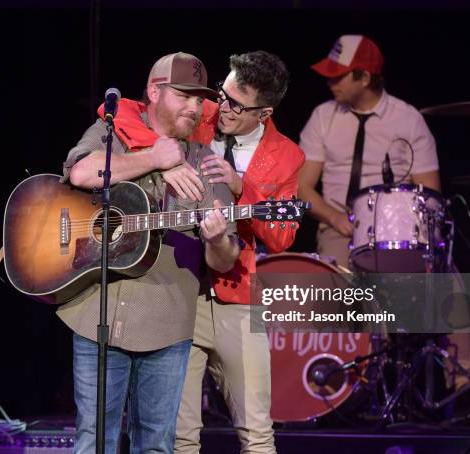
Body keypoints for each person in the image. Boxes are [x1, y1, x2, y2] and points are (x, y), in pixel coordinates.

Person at [58, 52, 240, 454]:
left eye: (200, 99)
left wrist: (216, 240)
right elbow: (80, 173)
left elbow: (225, 260)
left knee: (156, 445)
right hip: (98, 317)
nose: (195, 107)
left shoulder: (206, 164)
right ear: (155, 91)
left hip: (166, 323)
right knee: (93, 442)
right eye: (185, 96)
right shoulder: (113, 133)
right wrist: (154, 159)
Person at [298, 34, 470, 393]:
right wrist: (335, 220)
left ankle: (463, 379)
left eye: (338, 76)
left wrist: (399, 226)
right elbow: (302, 188)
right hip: (337, 228)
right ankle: (339, 388)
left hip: (395, 229)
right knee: (328, 285)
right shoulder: (323, 117)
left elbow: (431, 195)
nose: (329, 82)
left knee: (447, 277)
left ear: (364, 77)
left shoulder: (407, 120)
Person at [174, 51, 305, 454]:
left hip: (238, 295)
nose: (223, 108)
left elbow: (282, 238)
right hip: (179, 291)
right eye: (223, 94)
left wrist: (241, 188)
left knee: (256, 433)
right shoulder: (199, 116)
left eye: (236, 104)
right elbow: (135, 114)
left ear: (264, 113)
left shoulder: (287, 155)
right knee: (179, 436)